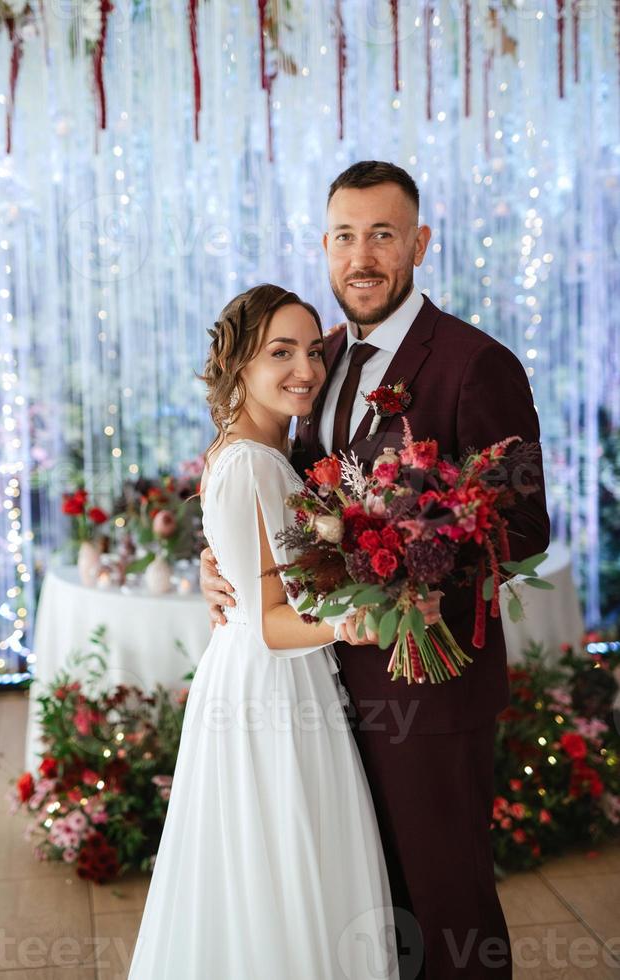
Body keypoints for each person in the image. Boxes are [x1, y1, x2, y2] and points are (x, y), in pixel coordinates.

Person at [201, 162, 551, 979]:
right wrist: (218, 559)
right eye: (346, 237)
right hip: (318, 686)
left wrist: (417, 567)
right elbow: (265, 488)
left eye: (383, 236)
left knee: (446, 902)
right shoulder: (309, 359)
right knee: (359, 907)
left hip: (428, 686)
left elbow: (527, 523)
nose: (362, 257)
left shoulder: (475, 364)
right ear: (326, 247)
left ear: (419, 244)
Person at [128, 283, 440, 979]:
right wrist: (367, 616)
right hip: (269, 688)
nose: (305, 369)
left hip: (271, 681)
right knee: (285, 861)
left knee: (278, 862)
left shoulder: (265, 451)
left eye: (312, 351)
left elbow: (262, 580)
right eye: (281, 352)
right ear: (238, 364)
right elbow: (270, 622)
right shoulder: (248, 462)